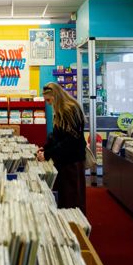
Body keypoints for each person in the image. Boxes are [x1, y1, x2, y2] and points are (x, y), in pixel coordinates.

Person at [37, 82, 86, 213]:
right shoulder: (60, 109)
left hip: (72, 161)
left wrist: (48, 154)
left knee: (73, 198)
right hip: (64, 160)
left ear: (56, 96)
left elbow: (70, 141)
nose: (47, 103)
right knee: (65, 195)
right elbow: (56, 136)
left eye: (48, 99)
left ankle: (77, 227)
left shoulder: (70, 109)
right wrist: (45, 148)